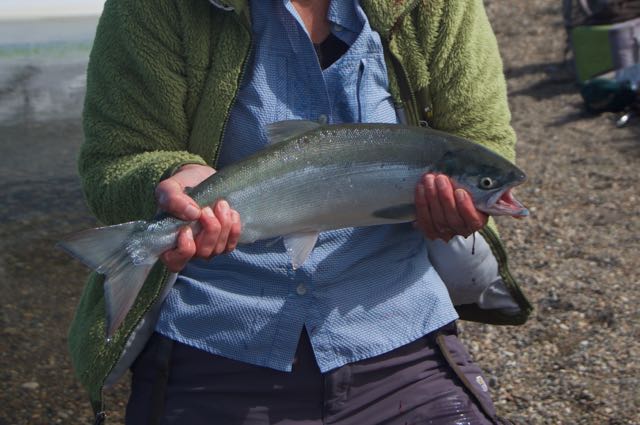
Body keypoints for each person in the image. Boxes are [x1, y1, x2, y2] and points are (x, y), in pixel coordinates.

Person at [69, 0, 532, 423]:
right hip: (215, 346)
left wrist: (458, 209)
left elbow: (482, 138)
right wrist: (174, 178)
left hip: (402, 340)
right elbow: (116, 161)